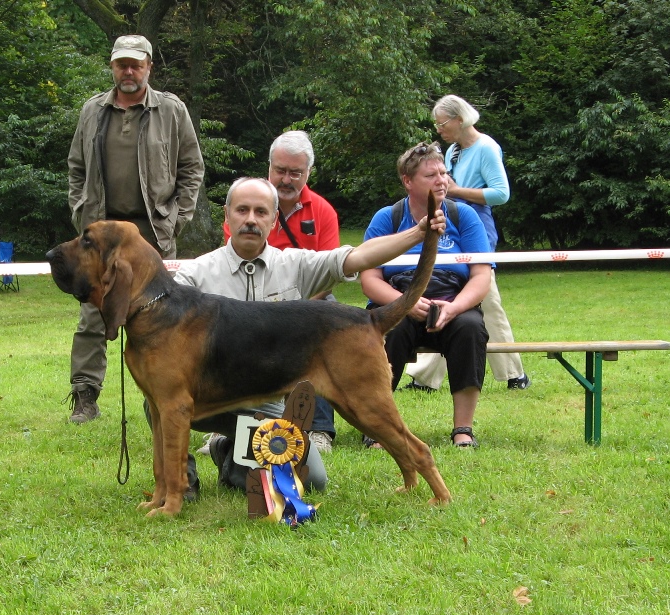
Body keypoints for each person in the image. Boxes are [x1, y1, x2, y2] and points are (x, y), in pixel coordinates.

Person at [175, 176, 445, 491]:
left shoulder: (295, 263)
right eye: (242, 210)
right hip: (212, 396)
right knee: (162, 400)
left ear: (274, 219)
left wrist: (418, 232)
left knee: (314, 476)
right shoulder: (194, 274)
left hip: (269, 401)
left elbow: (358, 257)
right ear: (227, 214)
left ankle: (229, 451)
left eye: (261, 212)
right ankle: (181, 481)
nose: (250, 219)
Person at [65, 34, 205, 423]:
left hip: (153, 236)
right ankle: (85, 395)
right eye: (121, 64)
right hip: (102, 237)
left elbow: (192, 169)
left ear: (149, 67)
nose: (128, 71)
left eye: (136, 64)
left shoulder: (172, 110)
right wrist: (82, 214)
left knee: (160, 318)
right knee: (92, 315)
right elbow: (76, 168)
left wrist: (178, 218)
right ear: (112, 66)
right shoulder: (92, 110)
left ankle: (160, 394)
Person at [214, 130, 340, 453]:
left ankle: (319, 429)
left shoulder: (324, 212)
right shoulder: (247, 203)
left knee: (324, 331)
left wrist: (293, 310)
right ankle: (221, 426)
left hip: (305, 298)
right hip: (251, 297)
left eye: (295, 173)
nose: (285, 179)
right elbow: (237, 258)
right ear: (269, 167)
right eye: (280, 170)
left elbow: (327, 273)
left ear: (308, 173)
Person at [361, 142, 491, 447]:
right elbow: (368, 279)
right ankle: (378, 428)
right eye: (431, 175)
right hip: (398, 298)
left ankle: (463, 430)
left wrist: (455, 307)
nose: (441, 180)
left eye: (444, 173)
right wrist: (403, 304)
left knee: (471, 328)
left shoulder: (464, 216)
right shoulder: (387, 218)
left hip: (451, 300)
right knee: (389, 330)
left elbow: (482, 275)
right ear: (408, 181)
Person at [405, 94, 531, 393]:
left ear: (459, 119)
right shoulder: (453, 151)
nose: (438, 129)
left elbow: (501, 194)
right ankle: (426, 378)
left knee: (487, 298)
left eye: (442, 123)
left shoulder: (486, 147)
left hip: (476, 226)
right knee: (449, 293)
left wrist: (459, 192)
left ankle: (514, 372)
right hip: (453, 223)